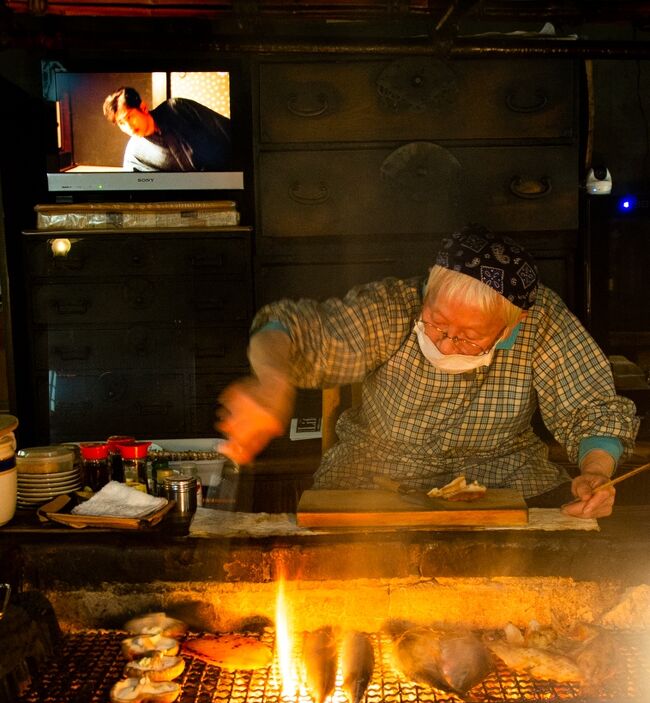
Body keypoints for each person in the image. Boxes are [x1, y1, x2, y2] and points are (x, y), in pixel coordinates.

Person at [217, 224, 639, 519]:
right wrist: (271, 382)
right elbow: (292, 328)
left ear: (511, 326)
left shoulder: (540, 319)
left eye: (469, 336)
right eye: (436, 321)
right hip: (373, 476)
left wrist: (596, 473)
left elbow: (592, 406)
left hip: (506, 478)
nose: (444, 342)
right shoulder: (391, 307)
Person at [102, 86, 232, 172]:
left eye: (129, 117)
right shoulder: (134, 155)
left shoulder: (177, 108)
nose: (128, 127)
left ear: (143, 107)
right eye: (121, 123)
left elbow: (227, 131)